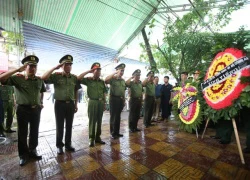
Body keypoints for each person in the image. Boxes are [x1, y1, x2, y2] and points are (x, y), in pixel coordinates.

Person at [0, 55, 45, 166]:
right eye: (30, 66)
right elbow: (1, 79)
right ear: (25, 67)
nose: (33, 68)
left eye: (35, 66)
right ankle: (23, 155)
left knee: (34, 131)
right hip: (23, 110)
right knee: (22, 133)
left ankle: (33, 151)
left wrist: (41, 103)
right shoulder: (18, 78)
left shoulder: (39, 80)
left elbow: (42, 91)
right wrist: (16, 70)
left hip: (36, 110)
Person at [42, 55, 80, 155]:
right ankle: (59, 145)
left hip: (70, 104)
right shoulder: (56, 76)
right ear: (62, 66)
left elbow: (76, 90)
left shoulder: (74, 78)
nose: (69, 66)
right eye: (66, 64)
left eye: (70, 64)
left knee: (69, 125)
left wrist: (76, 104)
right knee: (60, 126)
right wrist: (54, 68)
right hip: (59, 104)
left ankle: (68, 144)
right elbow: (44, 78)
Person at [78, 62, 106, 147]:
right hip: (92, 102)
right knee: (92, 121)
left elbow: (104, 92)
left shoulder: (102, 82)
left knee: (99, 120)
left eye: (99, 70)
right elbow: (78, 78)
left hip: (100, 102)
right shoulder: (88, 80)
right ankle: (91, 138)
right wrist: (88, 71)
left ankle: (98, 137)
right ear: (93, 71)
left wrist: (104, 103)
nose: (98, 72)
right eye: (96, 70)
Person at [105, 63, 126, 139]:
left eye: (123, 71)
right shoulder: (112, 79)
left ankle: (117, 132)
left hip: (120, 100)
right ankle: (113, 132)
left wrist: (123, 100)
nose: (122, 72)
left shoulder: (123, 81)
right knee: (113, 116)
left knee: (118, 117)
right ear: (117, 70)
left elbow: (123, 91)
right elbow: (106, 80)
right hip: (113, 99)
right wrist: (114, 73)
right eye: (121, 70)